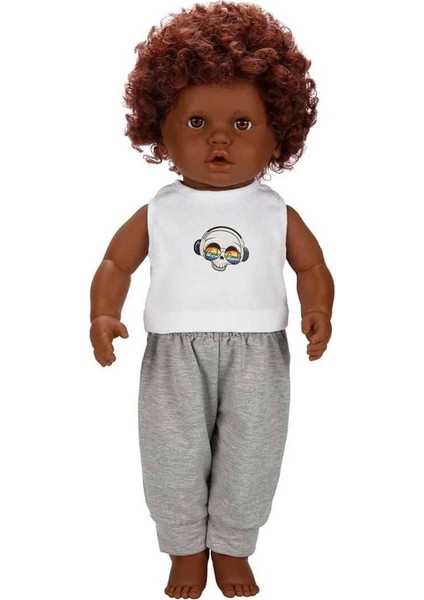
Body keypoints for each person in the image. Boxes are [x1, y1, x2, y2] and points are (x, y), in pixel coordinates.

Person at [89, 2, 334, 598]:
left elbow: (312, 265)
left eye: (243, 124)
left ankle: (232, 545)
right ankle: (183, 548)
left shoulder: (274, 211)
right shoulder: (160, 210)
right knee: (170, 455)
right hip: (173, 354)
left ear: (278, 134)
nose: (219, 137)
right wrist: (103, 313)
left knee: (253, 454)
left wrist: (318, 309)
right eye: (196, 122)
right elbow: (116, 262)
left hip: (260, 353)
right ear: (159, 129)